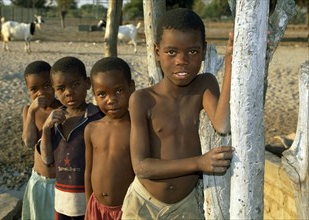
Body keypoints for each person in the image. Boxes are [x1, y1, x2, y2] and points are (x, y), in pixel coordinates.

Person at [121, 8, 234, 219]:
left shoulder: (204, 85)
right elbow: (142, 166)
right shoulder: (143, 99)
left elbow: (222, 124)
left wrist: (229, 62)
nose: (181, 60)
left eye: (192, 52)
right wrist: (199, 163)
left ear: (203, 51)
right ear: (157, 52)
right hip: (142, 204)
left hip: (186, 206)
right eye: (171, 52)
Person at [39, 56, 104, 219]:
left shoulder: (98, 117)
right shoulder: (55, 120)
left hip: (90, 200)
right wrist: (46, 129)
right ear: (54, 90)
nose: (68, 92)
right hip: (62, 201)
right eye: (61, 88)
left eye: (75, 84)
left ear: (87, 83)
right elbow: (47, 160)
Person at [84, 57, 135, 220]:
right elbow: (88, 171)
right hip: (96, 207)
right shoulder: (91, 129)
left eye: (119, 91)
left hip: (127, 209)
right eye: (102, 94)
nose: (111, 100)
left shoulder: (137, 128)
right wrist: (88, 205)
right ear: (94, 95)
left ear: (131, 87)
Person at [21, 60, 62, 220]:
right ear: (28, 91)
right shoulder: (29, 110)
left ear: (54, 84)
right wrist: (31, 112)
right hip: (38, 180)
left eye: (46, 86)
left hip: (60, 182)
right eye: (34, 89)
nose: (41, 93)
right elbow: (29, 142)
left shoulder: (62, 110)